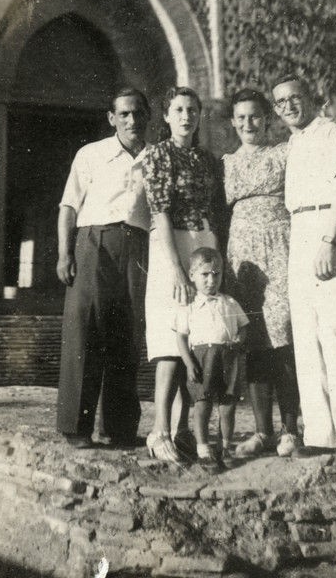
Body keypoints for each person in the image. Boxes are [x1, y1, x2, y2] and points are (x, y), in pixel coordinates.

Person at [272, 74, 336, 454]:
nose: (288, 107)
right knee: (307, 336)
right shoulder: (295, 142)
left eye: (294, 98)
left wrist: (328, 242)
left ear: (311, 98)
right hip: (300, 230)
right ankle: (321, 435)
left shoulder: (330, 132)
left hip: (329, 229)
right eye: (280, 103)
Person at [56, 88, 151, 449]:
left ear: (147, 117)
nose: (132, 120)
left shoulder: (157, 158)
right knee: (85, 330)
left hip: (139, 247)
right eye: (124, 114)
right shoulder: (91, 154)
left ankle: (119, 428)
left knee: (128, 334)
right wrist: (65, 254)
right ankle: (76, 429)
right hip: (94, 243)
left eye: (138, 113)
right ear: (112, 118)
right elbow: (68, 207)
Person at [141, 86, 224, 465]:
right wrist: (176, 268)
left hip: (202, 241)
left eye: (192, 110)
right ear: (167, 116)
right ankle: (158, 431)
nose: (186, 116)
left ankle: (182, 429)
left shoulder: (206, 159)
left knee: (199, 335)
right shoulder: (159, 154)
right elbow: (159, 211)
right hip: (170, 245)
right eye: (178, 110)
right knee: (169, 337)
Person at [222, 88, 300, 459]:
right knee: (253, 341)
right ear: (233, 122)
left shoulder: (285, 152)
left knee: (283, 338)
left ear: (267, 118)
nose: (248, 124)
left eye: (254, 116)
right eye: (241, 118)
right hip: (243, 257)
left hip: (281, 248)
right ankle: (262, 432)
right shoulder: (227, 162)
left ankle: (290, 429)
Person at [175, 246, 248, 473]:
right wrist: (188, 364)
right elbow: (181, 337)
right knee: (203, 404)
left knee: (227, 405)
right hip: (201, 359)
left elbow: (244, 327)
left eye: (216, 274)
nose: (211, 280)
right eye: (205, 274)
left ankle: (224, 447)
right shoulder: (189, 305)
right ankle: (203, 449)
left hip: (228, 357)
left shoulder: (230, 303)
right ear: (192, 275)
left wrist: (238, 340)